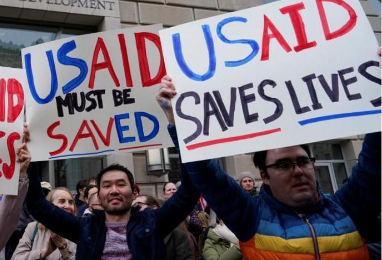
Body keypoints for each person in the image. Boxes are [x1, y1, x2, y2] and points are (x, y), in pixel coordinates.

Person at [156, 45, 382, 260]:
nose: (298, 171)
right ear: (264, 175)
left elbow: (376, 160)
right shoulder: (250, 216)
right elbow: (206, 174)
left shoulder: (347, 208)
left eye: (304, 161)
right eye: (284, 165)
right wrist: (179, 122)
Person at [24, 127, 200, 259]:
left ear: (133, 193)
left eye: (121, 184)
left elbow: (188, 193)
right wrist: (30, 163)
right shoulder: (84, 228)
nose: (114, 190)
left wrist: (176, 128)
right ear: (98, 196)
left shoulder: (153, 222)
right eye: (107, 185)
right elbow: (38, 206)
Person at [12, 188, 77, 260]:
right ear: (49, 205)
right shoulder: (33, 228)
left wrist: (64, 251)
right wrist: (43, 253)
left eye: (71, 202)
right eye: (62, 201)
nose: (67, 206)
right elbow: (16, 258)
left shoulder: (79, 232)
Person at [133, 195, 195, 260]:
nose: (134, 210)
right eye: (132, 207)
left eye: (138, 205)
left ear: (154, 207)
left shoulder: (177, 235)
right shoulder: (130, 235)